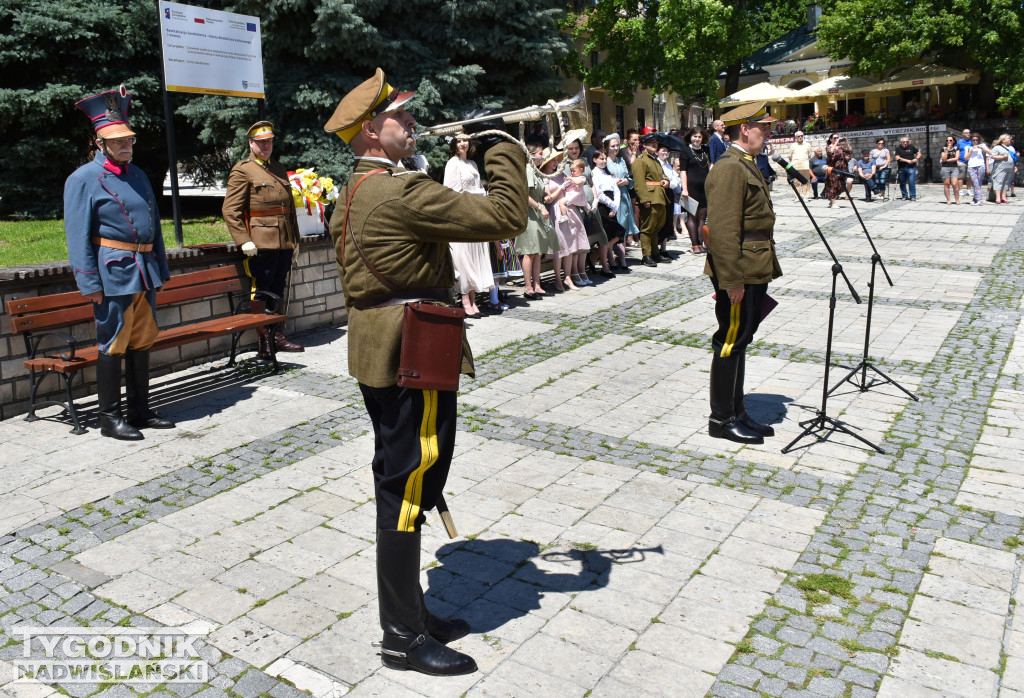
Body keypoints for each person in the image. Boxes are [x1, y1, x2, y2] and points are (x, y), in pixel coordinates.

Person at [323, 68, 528, 676]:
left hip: (382, 348)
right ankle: (402, 638)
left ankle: (412, 611)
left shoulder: (356, 190)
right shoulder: (400, 192)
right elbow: (508, 216)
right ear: (368, 133)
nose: (413, 125)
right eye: (401, 119)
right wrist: (503, 149)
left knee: (404, 478)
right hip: (413, 350)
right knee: (409, 485)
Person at [64, 86, 174, 440]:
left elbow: (154, 225)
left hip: (144, 270)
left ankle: (139, 410)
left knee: (142, 338)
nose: (126, 145)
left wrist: (161, 268)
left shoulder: (138, 175)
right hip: (112, 273)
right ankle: (109, 418)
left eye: (129, 139)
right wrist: (89, 283)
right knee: (113, 341)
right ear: (100, 143)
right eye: (117, 141)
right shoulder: (83, 179)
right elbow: (76, 234)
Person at [704, 101, 781, 445]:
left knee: (741, 340)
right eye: (762, 127)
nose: (767, 133)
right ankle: (721, 419)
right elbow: (721, 229)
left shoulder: (746, 164)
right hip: (739, 270)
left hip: (754, 265)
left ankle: (738, 411)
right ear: (743, 130)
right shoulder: (730, 168)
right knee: (729, 342)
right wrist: (731, 280)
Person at [223, 121, 304, 356]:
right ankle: (263, 341)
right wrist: (243, 239)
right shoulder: (243, 170)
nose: (266, 146)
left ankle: (277, 335)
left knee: (279, 285)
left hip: (284, 240)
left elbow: (288, 210)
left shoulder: (277, 168)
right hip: (260, 242)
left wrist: (295, 240)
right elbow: (230, 210)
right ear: (251, 144)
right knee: (262, 287)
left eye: (269, 141)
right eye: (261, 142)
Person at [520, 143, 560, 298]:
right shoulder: (528, 170)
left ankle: (537, 284)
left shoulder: (536, 171)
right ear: (531, 155)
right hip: (531, 213)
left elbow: (540, 191)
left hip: (539, 211)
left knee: (538, 251)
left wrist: (546, 197)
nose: (542, 156)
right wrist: (540, 207)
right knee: (530, 251)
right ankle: (528, 287)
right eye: (539, 153)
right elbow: (526, 194)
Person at [631, 131, 670, 266]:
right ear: (645, 145)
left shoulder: (655, 161)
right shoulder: (640, 161)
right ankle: (646, 255)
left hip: (659, 197)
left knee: (656, 227)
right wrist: (644, 199)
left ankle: (655, 253)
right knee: (648, 228)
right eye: (651, 143)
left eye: (656, 143)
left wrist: (666, 181)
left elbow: (663, 176)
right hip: (650, 198)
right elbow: (639, 182)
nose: (655, 145)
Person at [604, 133, 640, 253]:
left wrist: (625, 181)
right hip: (611, 196)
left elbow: (628, 178)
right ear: (607, 147)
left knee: (623, 224)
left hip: (623, 195)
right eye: (612, 146)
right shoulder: (605, 161)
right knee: (613, 226)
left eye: (617, 145)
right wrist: (614, 181)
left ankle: (622, 254)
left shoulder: (621, 160)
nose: (615, 148)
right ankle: (611, 255)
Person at [591, 149, 627, 269]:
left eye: (605, 158)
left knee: (615, 234)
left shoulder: (607, 173)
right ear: (594, 159)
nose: (604, 161)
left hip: (612, 205)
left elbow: (616, 190)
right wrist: (611, 205)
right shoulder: (594, 173)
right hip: (603, 206)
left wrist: (615, 207)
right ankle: (603, 260)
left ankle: (597, 257)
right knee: (611, 234)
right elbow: (599, 194)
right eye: (601, 158)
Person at [679, 126, 711, 254]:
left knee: (702, 218)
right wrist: (685, 189)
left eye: (699, 137)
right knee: (692, 217)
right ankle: (694, 245)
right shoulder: (685, 151)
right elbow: (683, 172)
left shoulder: (706, 150)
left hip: (704, 188)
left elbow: (710, 166)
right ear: (690, 137)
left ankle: (701, 244)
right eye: (694, 136)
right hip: (691, 188)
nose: (697, 139)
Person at [656, 143, 681, 259]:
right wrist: (670, 183)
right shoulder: (656, 165)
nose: (665, 153)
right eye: (662, 150)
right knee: (659, 221)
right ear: (657, 152)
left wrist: (670, 183)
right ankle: (656, 248)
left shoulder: (668, 166)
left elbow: (675, 182)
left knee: (668, 221)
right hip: (660, 194)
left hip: (669, 193)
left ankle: (664, 248)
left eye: (666, 151)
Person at [824, 133, 849, 208]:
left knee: (840, 186)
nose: (836, 139)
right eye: (835, 138)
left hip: (841, 169)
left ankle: (832, 200)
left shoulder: (840, 147)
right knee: (833, 185)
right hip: (833, 169)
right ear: (831, 139)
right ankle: (834, 203)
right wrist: (836, 143)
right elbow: (830, 153)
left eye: (837, 138)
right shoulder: (829, 147)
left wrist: (846, 143)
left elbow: (849, 151)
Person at [788, 131, 813, 200]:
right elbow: (790, 156)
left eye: (801, 136)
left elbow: (809, 155)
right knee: (796, 182)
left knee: (806, 182)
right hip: (795, 166)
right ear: (796, 137)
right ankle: (797, 197)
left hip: (805, 166)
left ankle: (805, 196)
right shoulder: (793, 145)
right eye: (798, 136)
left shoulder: (807, 145)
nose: (800, 137)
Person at [989, 133, 1014, 204]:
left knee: (1006, 182)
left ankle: (1004, 197)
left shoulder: (1011, 147)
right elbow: (993, 156)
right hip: (1000, 167)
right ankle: (998, 198)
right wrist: (1002, 157)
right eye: (1008, 138)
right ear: (1003, 140)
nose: (1010, 139)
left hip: (1010, 167)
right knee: (999, 181)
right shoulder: (997, 147)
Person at [894, 136, 919, 200]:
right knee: (902, 182)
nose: (905, 143)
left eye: (906, 142)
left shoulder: (911, 147)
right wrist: (907, 160)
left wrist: (916, 158)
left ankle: (913, 196)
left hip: (911, 167)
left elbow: (919, 153)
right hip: (902, 168)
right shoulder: (898, 149)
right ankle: (904, 195)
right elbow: (897, 158)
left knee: (911, 182)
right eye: (904, 142)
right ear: (901, 142)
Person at [966, 134, 989, 205]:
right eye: (974, 140)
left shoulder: (982, 145)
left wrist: (982, 148)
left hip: (980, 165)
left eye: (977, 140)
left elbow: (990, 152)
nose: (975, 141)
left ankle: (975, 199)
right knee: (975, 183)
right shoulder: (968, 147)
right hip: (972, 166)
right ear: (971, 141)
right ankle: (980, 200)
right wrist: (971, 151)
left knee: (978, 183)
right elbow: (966, 158)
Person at [939, 135, 962, 205]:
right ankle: (949, 200)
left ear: (954, 141)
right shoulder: (943, 149)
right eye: (947, 140)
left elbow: (956, 158)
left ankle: (957, 199)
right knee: (947, 184)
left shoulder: (956, 148)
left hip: (954, 167)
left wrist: (946, 160)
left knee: (955, 184)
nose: (949, 142)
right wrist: (947, 151)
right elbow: (943, 158)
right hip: (945, 168)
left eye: (950, 140)